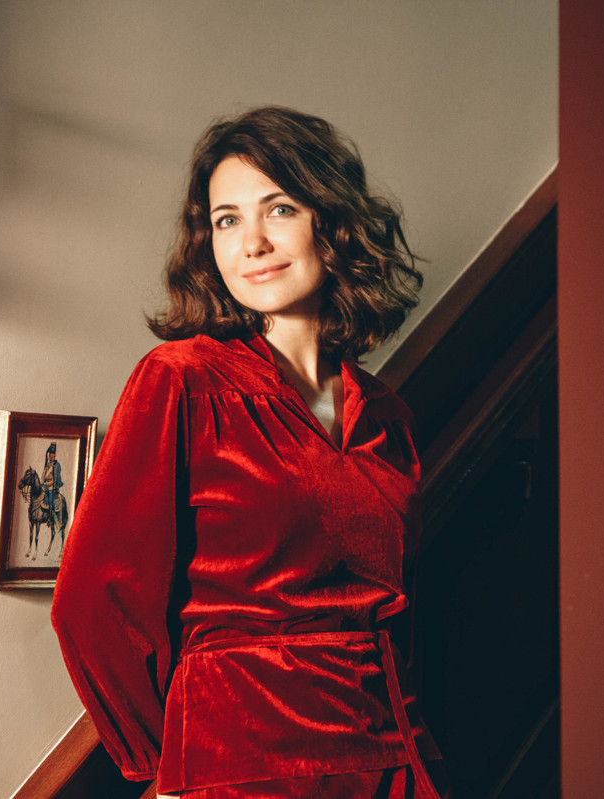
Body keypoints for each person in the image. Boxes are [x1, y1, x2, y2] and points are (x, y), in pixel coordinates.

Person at [51, 106, 450, 798]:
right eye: (227, 220)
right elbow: (93, 598)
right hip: (239, 768)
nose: (253, 242)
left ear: (333, 223)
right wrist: (172, 762)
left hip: (391, 761)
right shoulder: (181, 380)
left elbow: (402, 615)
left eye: (280, 208)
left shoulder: (387, 414)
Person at [41, 441, 63, 531]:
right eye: (50, 454)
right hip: (45, 486)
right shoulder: (47, 465)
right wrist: (42, 483)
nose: (51, 456)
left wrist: (48, 484)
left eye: (53, 454)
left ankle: (51, 519)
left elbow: (56, 479)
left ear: (55, 455)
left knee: (51, 500)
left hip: (51, 487)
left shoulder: (56, 465)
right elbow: (43, 476)